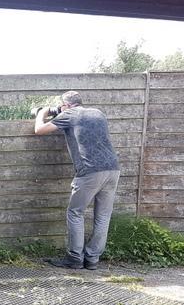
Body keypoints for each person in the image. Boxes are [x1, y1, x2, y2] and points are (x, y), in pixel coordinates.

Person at [34, 91, 120, 270]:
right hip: (113, 169)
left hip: (90, 172)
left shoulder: (70, 114)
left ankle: (74, 258)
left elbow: (39, 130)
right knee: (103, 216)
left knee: (75, 213)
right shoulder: (98, 113)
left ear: (65, 105)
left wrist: (43, 112)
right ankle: (92, 259)